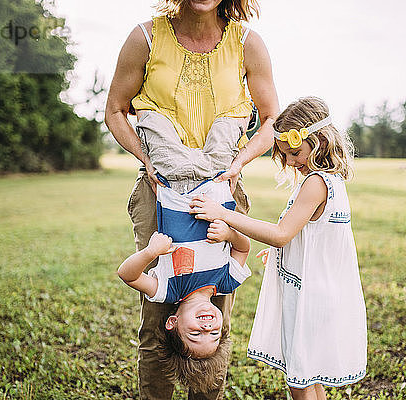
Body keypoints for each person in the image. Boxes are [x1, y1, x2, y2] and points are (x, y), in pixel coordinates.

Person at [104, 0, 279, 398]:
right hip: (161, 186)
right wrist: (146, 159)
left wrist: (239, 163)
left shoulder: (248, 43)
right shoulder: (145, 37)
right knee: (156, 321)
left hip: (223, 187)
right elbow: (115, 109)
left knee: (222, 317)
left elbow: (270, 118)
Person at [190, 97, 368, 400]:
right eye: (285, 155)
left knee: (298, 378)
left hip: (308, 296)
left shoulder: (315, 183)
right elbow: (310, 234)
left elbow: (282, 234)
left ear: (320, 140)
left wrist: (222, 213)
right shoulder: (332, 181)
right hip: (321, 289)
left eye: (295, 152)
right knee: (310, 373)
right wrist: (279, 253)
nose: (290, 161)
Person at [116, 211, 251, 391]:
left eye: (195, 335)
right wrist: (230, 234)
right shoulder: (227, 282)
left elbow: (127, 275)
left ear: (172, 322)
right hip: (212, 198)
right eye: (214, 334)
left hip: (171, 199)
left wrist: (151, 251)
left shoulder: (168, 290)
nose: (207, 328)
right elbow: (243, 249)